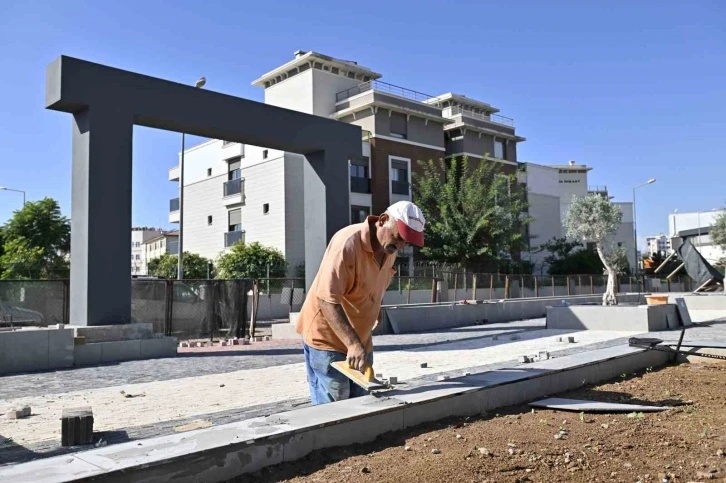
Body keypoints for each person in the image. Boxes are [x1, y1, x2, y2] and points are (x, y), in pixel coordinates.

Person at [296, 201, 426, 405]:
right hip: (327, 337)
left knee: (361, 401)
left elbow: (375, 282)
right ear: (382, 220)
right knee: (334, 403)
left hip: (359, 339)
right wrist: (352, 344)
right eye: (398, 238)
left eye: (406, 243)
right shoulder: (347, 244)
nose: (400, 246)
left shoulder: (388, 250)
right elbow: (327, 300)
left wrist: (376, 306)